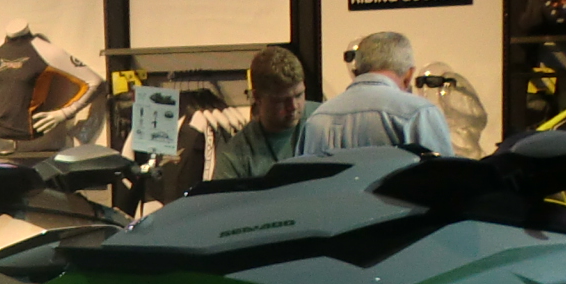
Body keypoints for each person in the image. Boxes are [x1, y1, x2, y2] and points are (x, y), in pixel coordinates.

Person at [298, 30, 456, 157]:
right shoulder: (419, 113)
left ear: (356, 70)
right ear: (409, 75)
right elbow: (444, 180)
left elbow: (301, 181)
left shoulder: (317, 118)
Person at [177, 45, 310, 184]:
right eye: (281, 100)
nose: (293, 106)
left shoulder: (322, 123)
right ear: (257, 97)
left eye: (299, 95)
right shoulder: (235, 156)